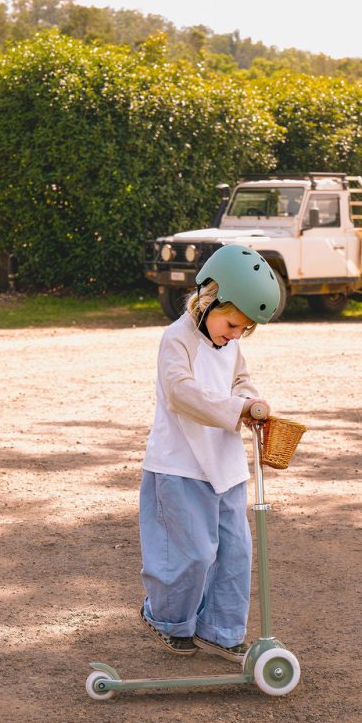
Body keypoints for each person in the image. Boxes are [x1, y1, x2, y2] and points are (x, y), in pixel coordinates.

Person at [139, 244, 281, 661]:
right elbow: (182, 393)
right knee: (193, 554)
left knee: (235, 553)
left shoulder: (231, 345)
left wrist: (251, 401)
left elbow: (241, 382)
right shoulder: (176, 339)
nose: (236, 334)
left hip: (225, 465)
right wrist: (236, 408)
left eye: (244, 329)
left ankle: (220, 629)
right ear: (208, 299)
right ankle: (166, 618)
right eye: (233, 323)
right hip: (179, 466)